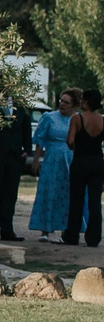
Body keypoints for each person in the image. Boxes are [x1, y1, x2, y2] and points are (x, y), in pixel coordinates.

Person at [28, 92, 74, 240]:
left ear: (73, 105)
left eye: (67, 102)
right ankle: (45, 230)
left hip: (69, 158)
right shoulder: (49, 117)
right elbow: (40, 140)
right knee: (49, 192)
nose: (63, 104)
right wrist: (36, 160)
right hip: (52, 158)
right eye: (62, 101)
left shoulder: (75, 119)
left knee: (66, 193)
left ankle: (64, 230)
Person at [0, 101, 30, 244]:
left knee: (10, 195)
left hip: (14, 157)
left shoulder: (21, 107)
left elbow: (26, 129)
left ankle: (7, 230)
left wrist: (26, 150)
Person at [69, 90, 104, 250]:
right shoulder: (102, 120)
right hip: (97, 161)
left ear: (86, 102)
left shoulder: (77, 118)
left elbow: (70, 141)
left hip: (81, 160)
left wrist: (76, 144)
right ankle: (94, 237)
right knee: (95, 201)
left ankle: (72, 234)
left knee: (77, 198)